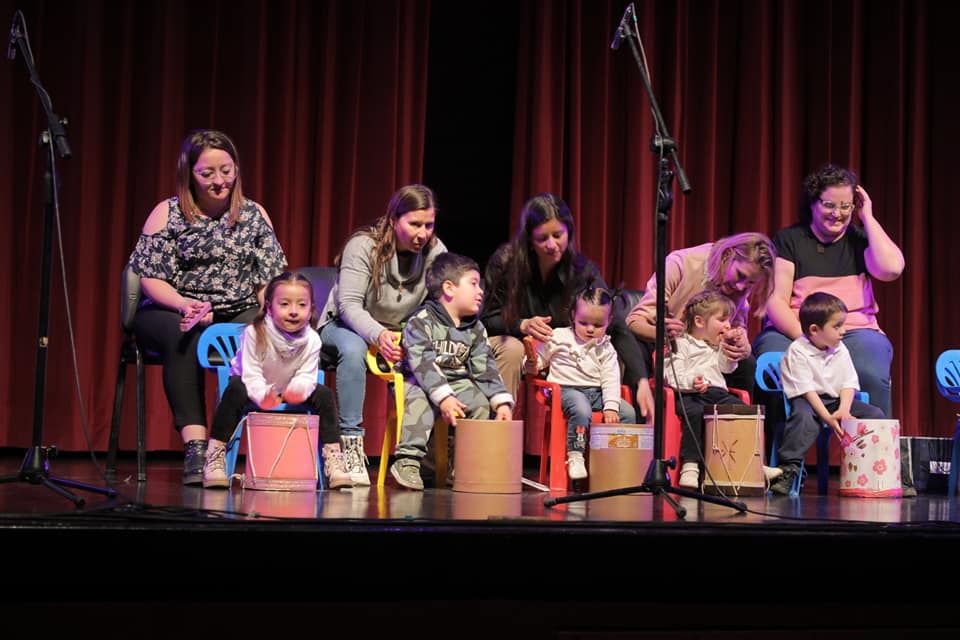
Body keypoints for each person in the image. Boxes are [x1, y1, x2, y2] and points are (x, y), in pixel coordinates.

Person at [127, 129, 287, 485]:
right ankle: (197, 448)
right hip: (172, 307)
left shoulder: (254, 215)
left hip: (236, 306)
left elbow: (267, 281)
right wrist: (184, 304)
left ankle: (238, 446)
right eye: (207, 173)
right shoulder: (167, 213)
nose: (219, 181)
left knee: (266, 335)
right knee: (184, 335)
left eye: (226, 171)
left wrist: (271, 316)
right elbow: (150, 278)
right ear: (189, 174)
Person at [482, 193, 655, 420]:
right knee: (512, 349)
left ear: (569, 232)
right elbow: (487, 318)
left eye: (558, 235)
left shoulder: (582, 272)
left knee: (608, 352)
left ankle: (597, 436)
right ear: (529, 239)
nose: (551, 245)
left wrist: (641, 380)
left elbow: (617, 327)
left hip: (566, 357)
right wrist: (522, 324)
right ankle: (499, 433)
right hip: (520, 346)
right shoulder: (506, 263)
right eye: (542, 238)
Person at [319, 184, 447, 486]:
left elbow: (439, 304)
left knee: (427, 360)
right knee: (353, 350)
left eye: (429, 225)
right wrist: (378, 335)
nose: (423, 233)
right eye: (414, 224)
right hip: (345, 326)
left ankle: (414, 457)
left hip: (399, 332)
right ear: (393, 219)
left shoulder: (435, 251)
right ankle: (351, 445)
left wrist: (414, 335)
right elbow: (349, 305)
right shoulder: (364, 246)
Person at [752, 165, 905, 419]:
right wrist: (810, 340)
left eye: (846, 206)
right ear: (813, 203)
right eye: (829, 205)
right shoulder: (790, 240)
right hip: (797, 330)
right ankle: (780, 442)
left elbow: (892, 269)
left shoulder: (860, 240)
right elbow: (776, 300)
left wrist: (867, 217)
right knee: (772, 365)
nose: (838, 214)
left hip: (854, 330)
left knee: (870, 371)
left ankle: (874, 443)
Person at [201, 272, 352, 489]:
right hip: (251, 387)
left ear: (311, 309)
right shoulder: (255, 333)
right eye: (284, 304)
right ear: (269, 308)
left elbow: (306, 375)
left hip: (289, 390)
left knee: (324, 394)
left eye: (302, 305)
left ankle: (334, 459)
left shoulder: (312, 340)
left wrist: (297, 391)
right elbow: (251, 374)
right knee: (235, 389)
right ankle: (215, 456)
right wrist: (263, 395)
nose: (293, 311)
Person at [389, 252, 514, 491]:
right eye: (473, 283)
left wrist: (501, 402)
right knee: (419, 398)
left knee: (479, 403)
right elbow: (422, 364)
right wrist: (444, 397)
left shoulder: (475, 328)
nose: (481, 291)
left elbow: (485, 368)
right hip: (415, 380)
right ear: (449, 288)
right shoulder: (421, 321)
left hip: (457, 381)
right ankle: (408, 460)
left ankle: (464, 465)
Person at [625, 232, 776, 398]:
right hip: (665, 346)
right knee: (637, 348)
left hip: (705, 353)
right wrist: (662, 334)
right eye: (740, 275)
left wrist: (742, 346)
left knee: (746, 363)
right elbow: (634, 321)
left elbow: (738, 329)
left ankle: (735, 412)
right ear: (728, 255)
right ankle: (644, 410)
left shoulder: (739, 291)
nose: (741, 287)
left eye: (750, 283)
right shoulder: (680, 263)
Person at [768, 292, 885, 495]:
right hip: (807, 400)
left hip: (834, 401)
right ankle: (788, 469)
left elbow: (848, 382)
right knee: (804, 418)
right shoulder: (797, 351)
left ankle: (878, 471)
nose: (843, 331)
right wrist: (828, 418)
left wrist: (844, 410)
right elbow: (806, 390)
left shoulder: (839, 348)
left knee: (875, 414)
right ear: (814, 330)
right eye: (837, 326)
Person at [662, 291, 780, 489]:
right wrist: (691, 382)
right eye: (722, 320)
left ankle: (755, 463)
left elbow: (727, 368)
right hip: (690, 395)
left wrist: (729, 347)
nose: (727, 325)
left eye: (729, 321)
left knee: (744, 411)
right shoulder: (681, 344)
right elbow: (671, 374)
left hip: (717, 394)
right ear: (699, 321)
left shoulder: (716, 347)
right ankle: (690, 466)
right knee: (695, 413)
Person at [524, 285, 637, 481]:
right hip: (564, 391)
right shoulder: (558, 337)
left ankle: (615, 458)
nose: (590, 329)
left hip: (595, 393)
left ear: (609, 321)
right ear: (573, 316)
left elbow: (611, 379)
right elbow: (537, 361)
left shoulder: (606, 347)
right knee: (581, 408)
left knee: (628, 412)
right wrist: (532, 364)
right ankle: (575, 455)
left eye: (598, 325)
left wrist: (611, 406)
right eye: (583, 323)